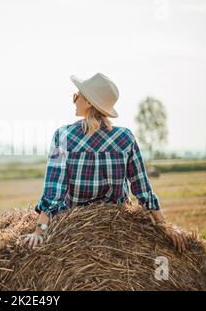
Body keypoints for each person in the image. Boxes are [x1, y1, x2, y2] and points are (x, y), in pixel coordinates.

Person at [23, 72, 187, 252]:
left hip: (72, 224)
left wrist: (40, 231)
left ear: (89, 102)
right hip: (117, 223)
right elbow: (142, 189)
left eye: (77, 95)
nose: (74, 99)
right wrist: (164, 226)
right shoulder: (125, 138)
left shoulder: (63, 136)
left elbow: (54, 192)